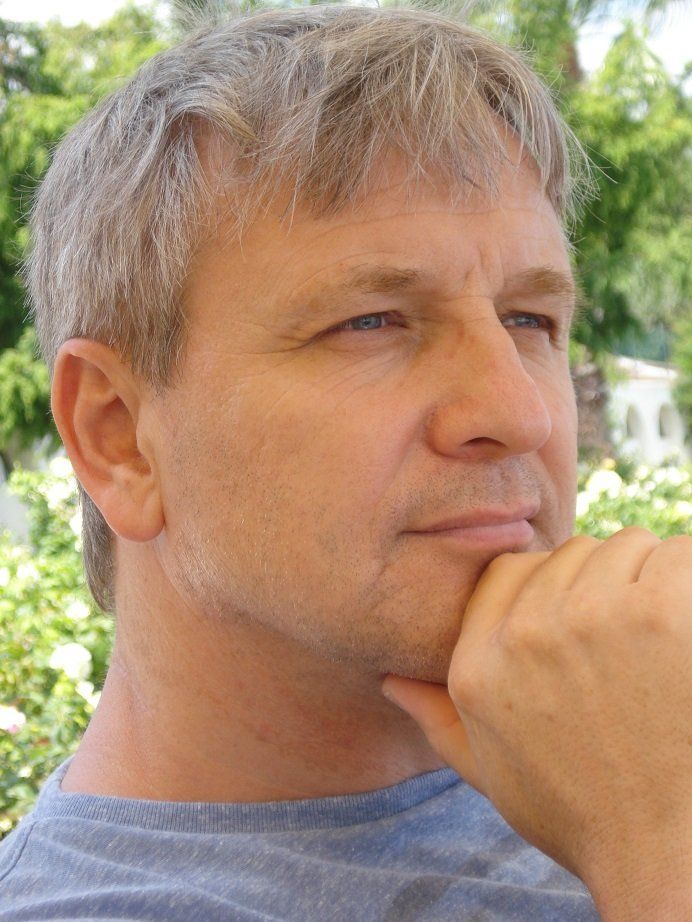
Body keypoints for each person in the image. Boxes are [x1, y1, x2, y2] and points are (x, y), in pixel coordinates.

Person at [0, 4, 690, 920]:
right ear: (118, 437)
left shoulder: (638, 761)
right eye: (371, 322)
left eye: (529, 319)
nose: (519, 414)